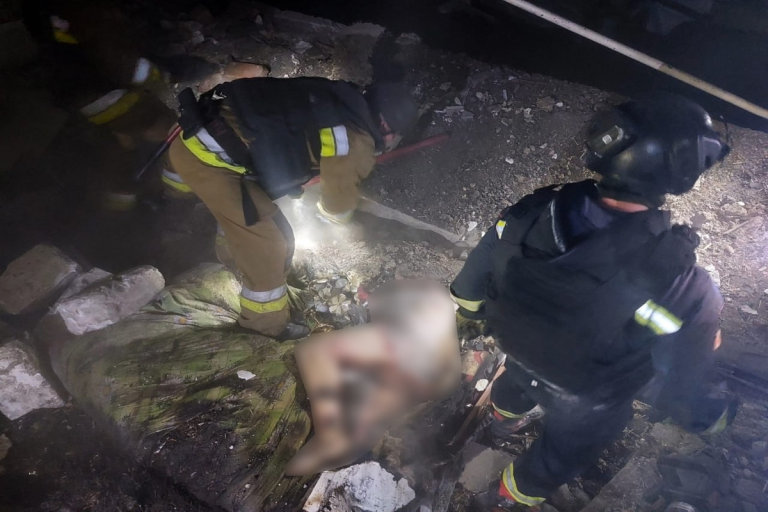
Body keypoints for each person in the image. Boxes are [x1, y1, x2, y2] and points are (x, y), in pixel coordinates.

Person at [450, 95, 734, 509]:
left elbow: (475, 273)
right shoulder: (681, 283)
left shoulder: (533, 210)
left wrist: (468, 309)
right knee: (561, 454)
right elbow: (683, 372)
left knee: (516, 383)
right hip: (585, 394)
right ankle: (510, 494)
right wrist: (705, 416)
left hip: (518, 347)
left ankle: (502, 419)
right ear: (682, 170)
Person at [164, 77, 418, 339]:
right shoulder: (357, 141)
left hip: (191, 132)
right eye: (397, 135)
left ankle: (172, 210)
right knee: (270, 247)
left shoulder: (337, 100)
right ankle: (264, 327)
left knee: (261, 221)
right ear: (387, 126)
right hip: (209, 162)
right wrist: (337, 223)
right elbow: (337, 202)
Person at [22, 0, 178, 212]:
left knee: (124, 144)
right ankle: (169, 197)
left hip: (73, 87)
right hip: (93, 93)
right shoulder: (91, 11)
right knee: (168, 128)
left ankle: (119, 207)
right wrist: (161, 76)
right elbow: (123, 64)